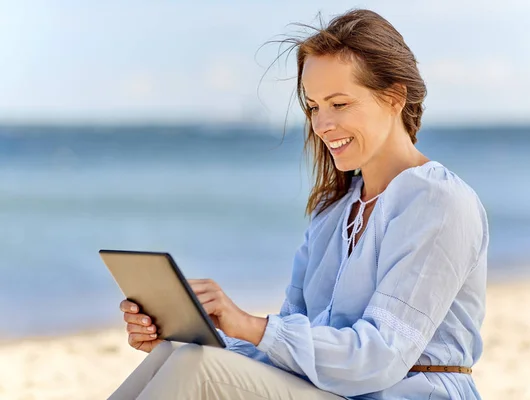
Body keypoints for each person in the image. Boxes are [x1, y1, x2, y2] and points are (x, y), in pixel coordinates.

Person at [109, 8, 489, 400]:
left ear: (393, 98)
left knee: (195, 367)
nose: (321, 125)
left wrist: (249, 324)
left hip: (410, 394)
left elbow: (380, 357)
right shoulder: (333, 213)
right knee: (180, 355)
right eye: (313, 107)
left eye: (339, 104)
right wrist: (197, 337)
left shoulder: (438, 202)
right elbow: (287, 350)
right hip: (331, 393)